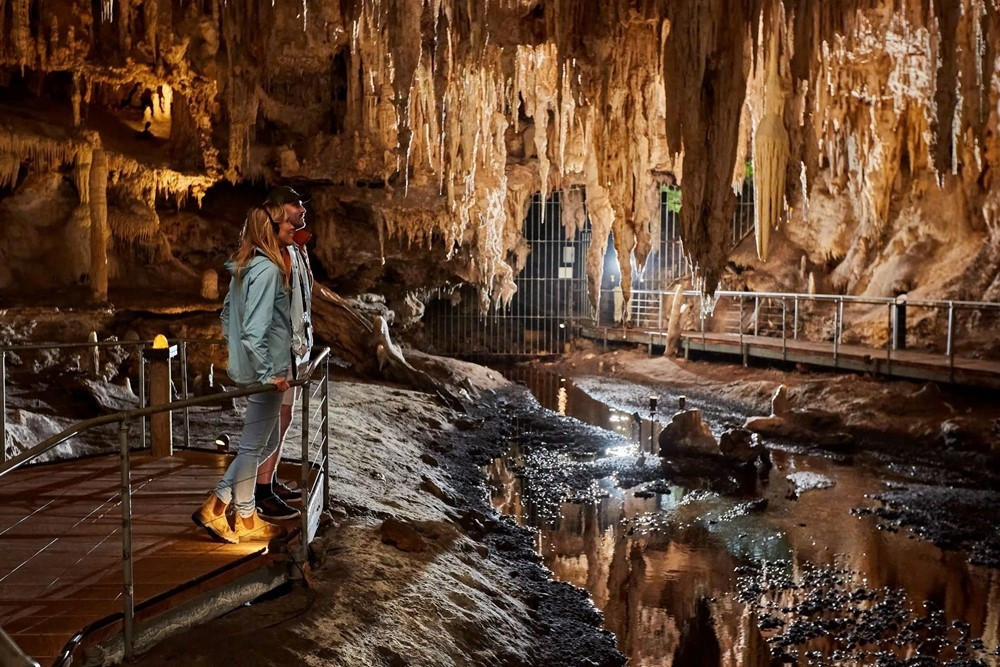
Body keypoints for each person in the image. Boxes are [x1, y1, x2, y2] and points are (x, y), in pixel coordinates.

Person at [192, 202, 297, 543]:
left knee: (261, 442)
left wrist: (240, 354)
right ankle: (242, 513)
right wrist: (269, 372)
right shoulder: (266, 271)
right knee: (255, 445)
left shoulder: (244, 266)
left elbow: (227, 318)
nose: (291, 229)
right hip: (268, 369)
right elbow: (255, 329)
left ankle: (223, 502)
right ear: (270, 229)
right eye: (284, 224)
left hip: (253, 366)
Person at [254, 186, 315, 521]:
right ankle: (261, 490)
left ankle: (269, 479)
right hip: (277, 353)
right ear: (277, 212)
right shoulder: (271, 255)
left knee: (284, 417)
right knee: (270, 421)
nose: (302, 209)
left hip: (293, 349)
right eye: (297, 205)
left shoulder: (294, 248)